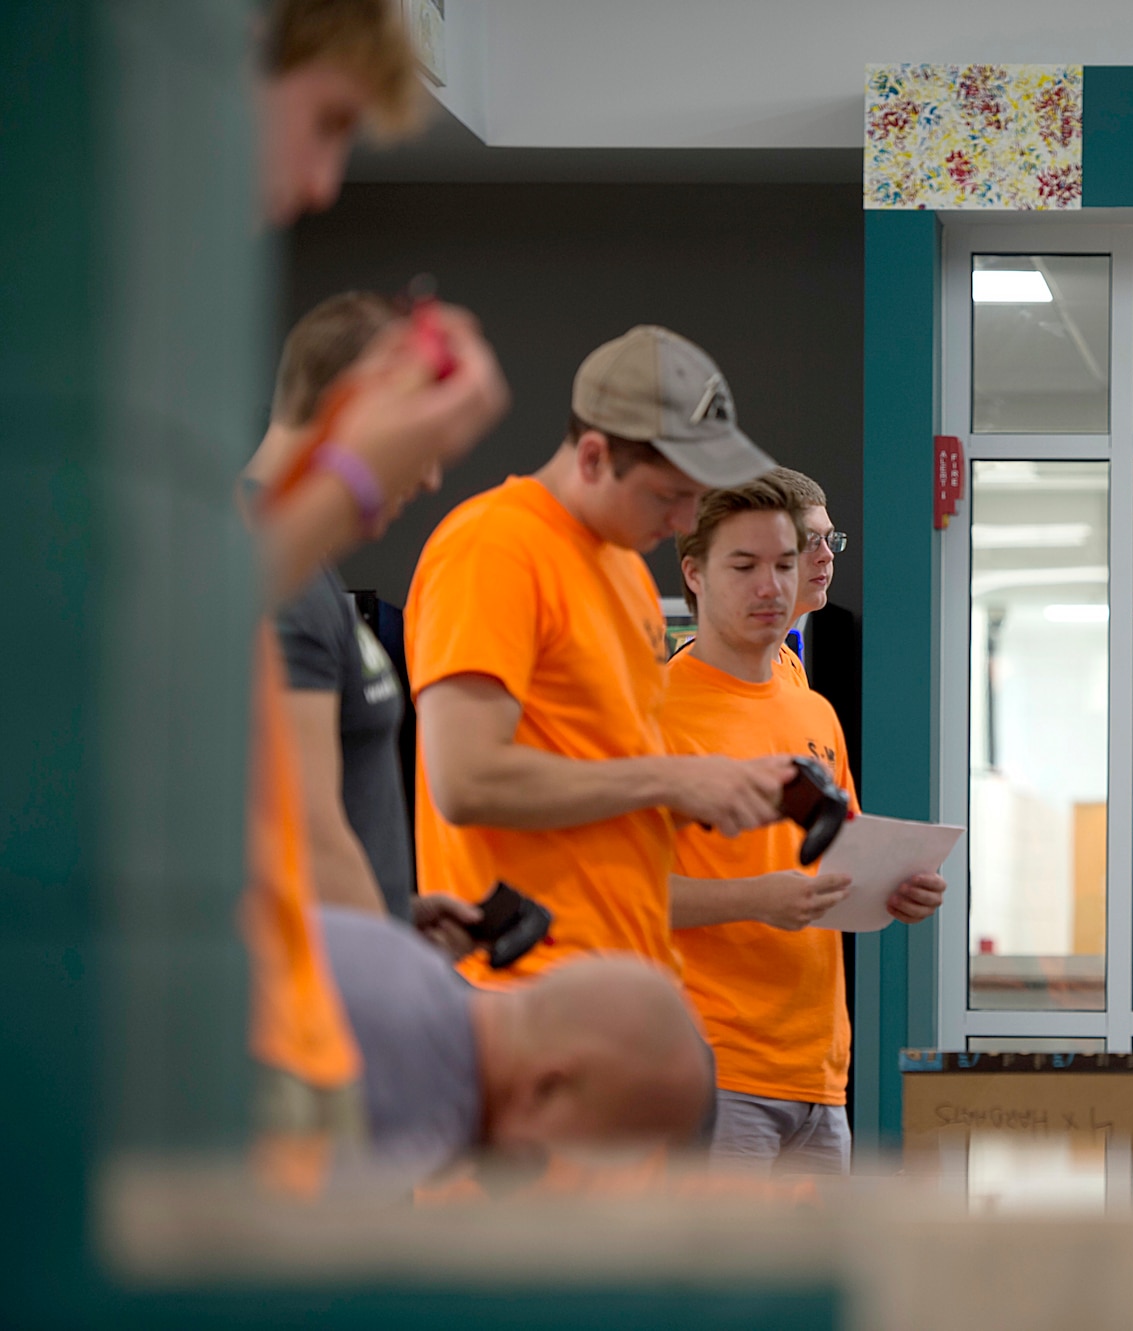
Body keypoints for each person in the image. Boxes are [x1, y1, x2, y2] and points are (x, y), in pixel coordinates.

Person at [244, 0, 509, 1144]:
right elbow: (308, 826)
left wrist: (400, 923)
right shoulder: (281, 579)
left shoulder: (308, 585)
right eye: (326, 122)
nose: (317, 184)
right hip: (300, 1033)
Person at [408, 326, 797, 988]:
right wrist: (670, 780)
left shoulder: (624, 569)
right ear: (592, 456)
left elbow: (603, 767)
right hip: (532, 988)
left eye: (696, 495)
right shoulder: (494, 547)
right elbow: (466, 780)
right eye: (668, 493)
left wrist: (714, 786)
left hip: (625, 978)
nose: (684, 518)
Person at [662, 479, 945, 1173]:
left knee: (822, 1282)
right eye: (745, 566)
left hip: (819, 1071)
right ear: (694, 574)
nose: (772, 585)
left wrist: (892, 886)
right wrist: (757, 898)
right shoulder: (654, 713)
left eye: (786, 563)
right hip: (713, 1063)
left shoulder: (813, 710)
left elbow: (838, 856)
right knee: (726, 1283)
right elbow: (621, 893)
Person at [245, 292, 482, 958]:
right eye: (423, 441)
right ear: (357, 408)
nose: (431, 475)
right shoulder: (280, 580)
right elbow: (312, 839)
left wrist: (391, 911)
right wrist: (402, 981)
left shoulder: (302, 570)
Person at [317, 907, 713, 1177]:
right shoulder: (409, 1121)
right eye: (586, 1155)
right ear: (548, 1087)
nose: (550, 1171)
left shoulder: (398, 950)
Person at [766, 467, 845, 688]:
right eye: (808, 539)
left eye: (829, 538)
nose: (827, 555)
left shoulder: (789, 662)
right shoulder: (710, 676)